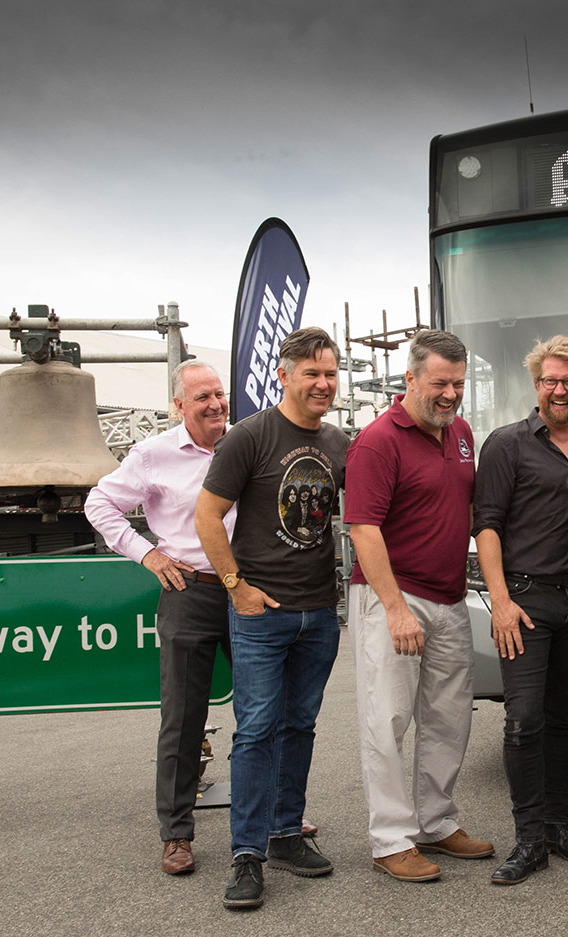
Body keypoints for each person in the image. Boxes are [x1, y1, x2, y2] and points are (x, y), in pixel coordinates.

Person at [195, 327, 349, 910]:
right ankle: (247, 855)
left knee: (300, 726)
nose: (322, 383)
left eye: (330, 373)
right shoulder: (248, 437)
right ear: (284, 376)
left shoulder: (338, 443)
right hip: (262, 614)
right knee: (256, 730)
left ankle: (286, 834)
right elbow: (207, 516)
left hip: (318, 615)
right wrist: (237, 588)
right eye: (311, 373)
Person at [344, 328, 493, 883]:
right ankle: (390, 839)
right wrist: (395, 609)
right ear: (410, 379)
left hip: (450, 597)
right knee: (386, 720)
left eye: (457, 383)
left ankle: (436, 822)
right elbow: (363, 528)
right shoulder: (377, 440)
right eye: (439, 383)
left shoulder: (460, 433)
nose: (451, 394)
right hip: (395, 597)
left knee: (449, 719)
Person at [84, 361, 233, 877]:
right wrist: (147, 554)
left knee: (268, 710)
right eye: (202, 398)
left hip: (248, 590)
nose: (215, 404)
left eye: (219, 393)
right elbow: (99, 502)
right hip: (189, 590)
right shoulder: (152, 455)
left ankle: (280, 816)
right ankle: (176, 834)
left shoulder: (245, 443)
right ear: (179, 407)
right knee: (183, 717)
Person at [473, 335, 568, 885]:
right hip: (524, 601)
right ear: (536, 385)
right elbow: (486, 527)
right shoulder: (506, 445)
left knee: (564, 719)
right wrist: (499, 603)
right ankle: (528, 840)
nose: (558, 389)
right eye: (550, 380)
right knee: (524, 720)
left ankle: (556, 826)